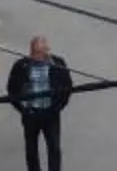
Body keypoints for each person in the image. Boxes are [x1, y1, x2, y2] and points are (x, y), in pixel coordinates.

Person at [7, 34, 75, 171]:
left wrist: (57, 108)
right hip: (31, 114)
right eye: (34, 52)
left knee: (54, 148)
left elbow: (67, 87)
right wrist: (22, 108)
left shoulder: (58, 64)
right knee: (31, 150)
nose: (37, 55)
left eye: (41, 52)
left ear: (47, 50)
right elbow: (12, 88)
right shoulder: (21, 66)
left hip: (50, 114)